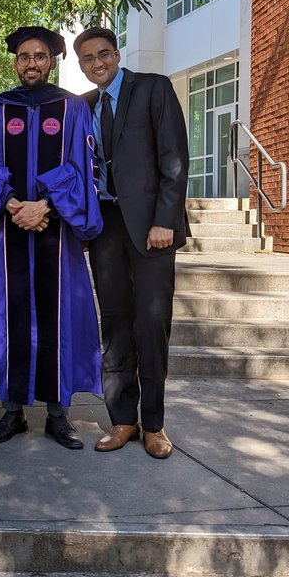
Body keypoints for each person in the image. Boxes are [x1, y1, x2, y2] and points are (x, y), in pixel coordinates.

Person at [0, 26, 103, 450]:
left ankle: (58, 416)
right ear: (15, 62)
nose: (31, 63)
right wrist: (12, 205)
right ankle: (12, 413)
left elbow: (84, 166)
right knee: (9, 320)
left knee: (56, 317)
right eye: (24, 56)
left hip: (56, 233)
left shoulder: (73, 109)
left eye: (40, 56)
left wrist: (44, 206)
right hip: (7, 236)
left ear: (52, 61)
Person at [75, 26, 190, 460]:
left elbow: (174, 158)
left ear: (117, 54)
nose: (97, 63)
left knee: (151, 323)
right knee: (116, 324)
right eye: (87, 58)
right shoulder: (82, 106)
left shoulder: (153, 88)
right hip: (104, 227)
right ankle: (122, 419)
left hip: (150, 230)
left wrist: (166, 220)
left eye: (103, 54)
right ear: (81, 64)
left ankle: (155, 425)